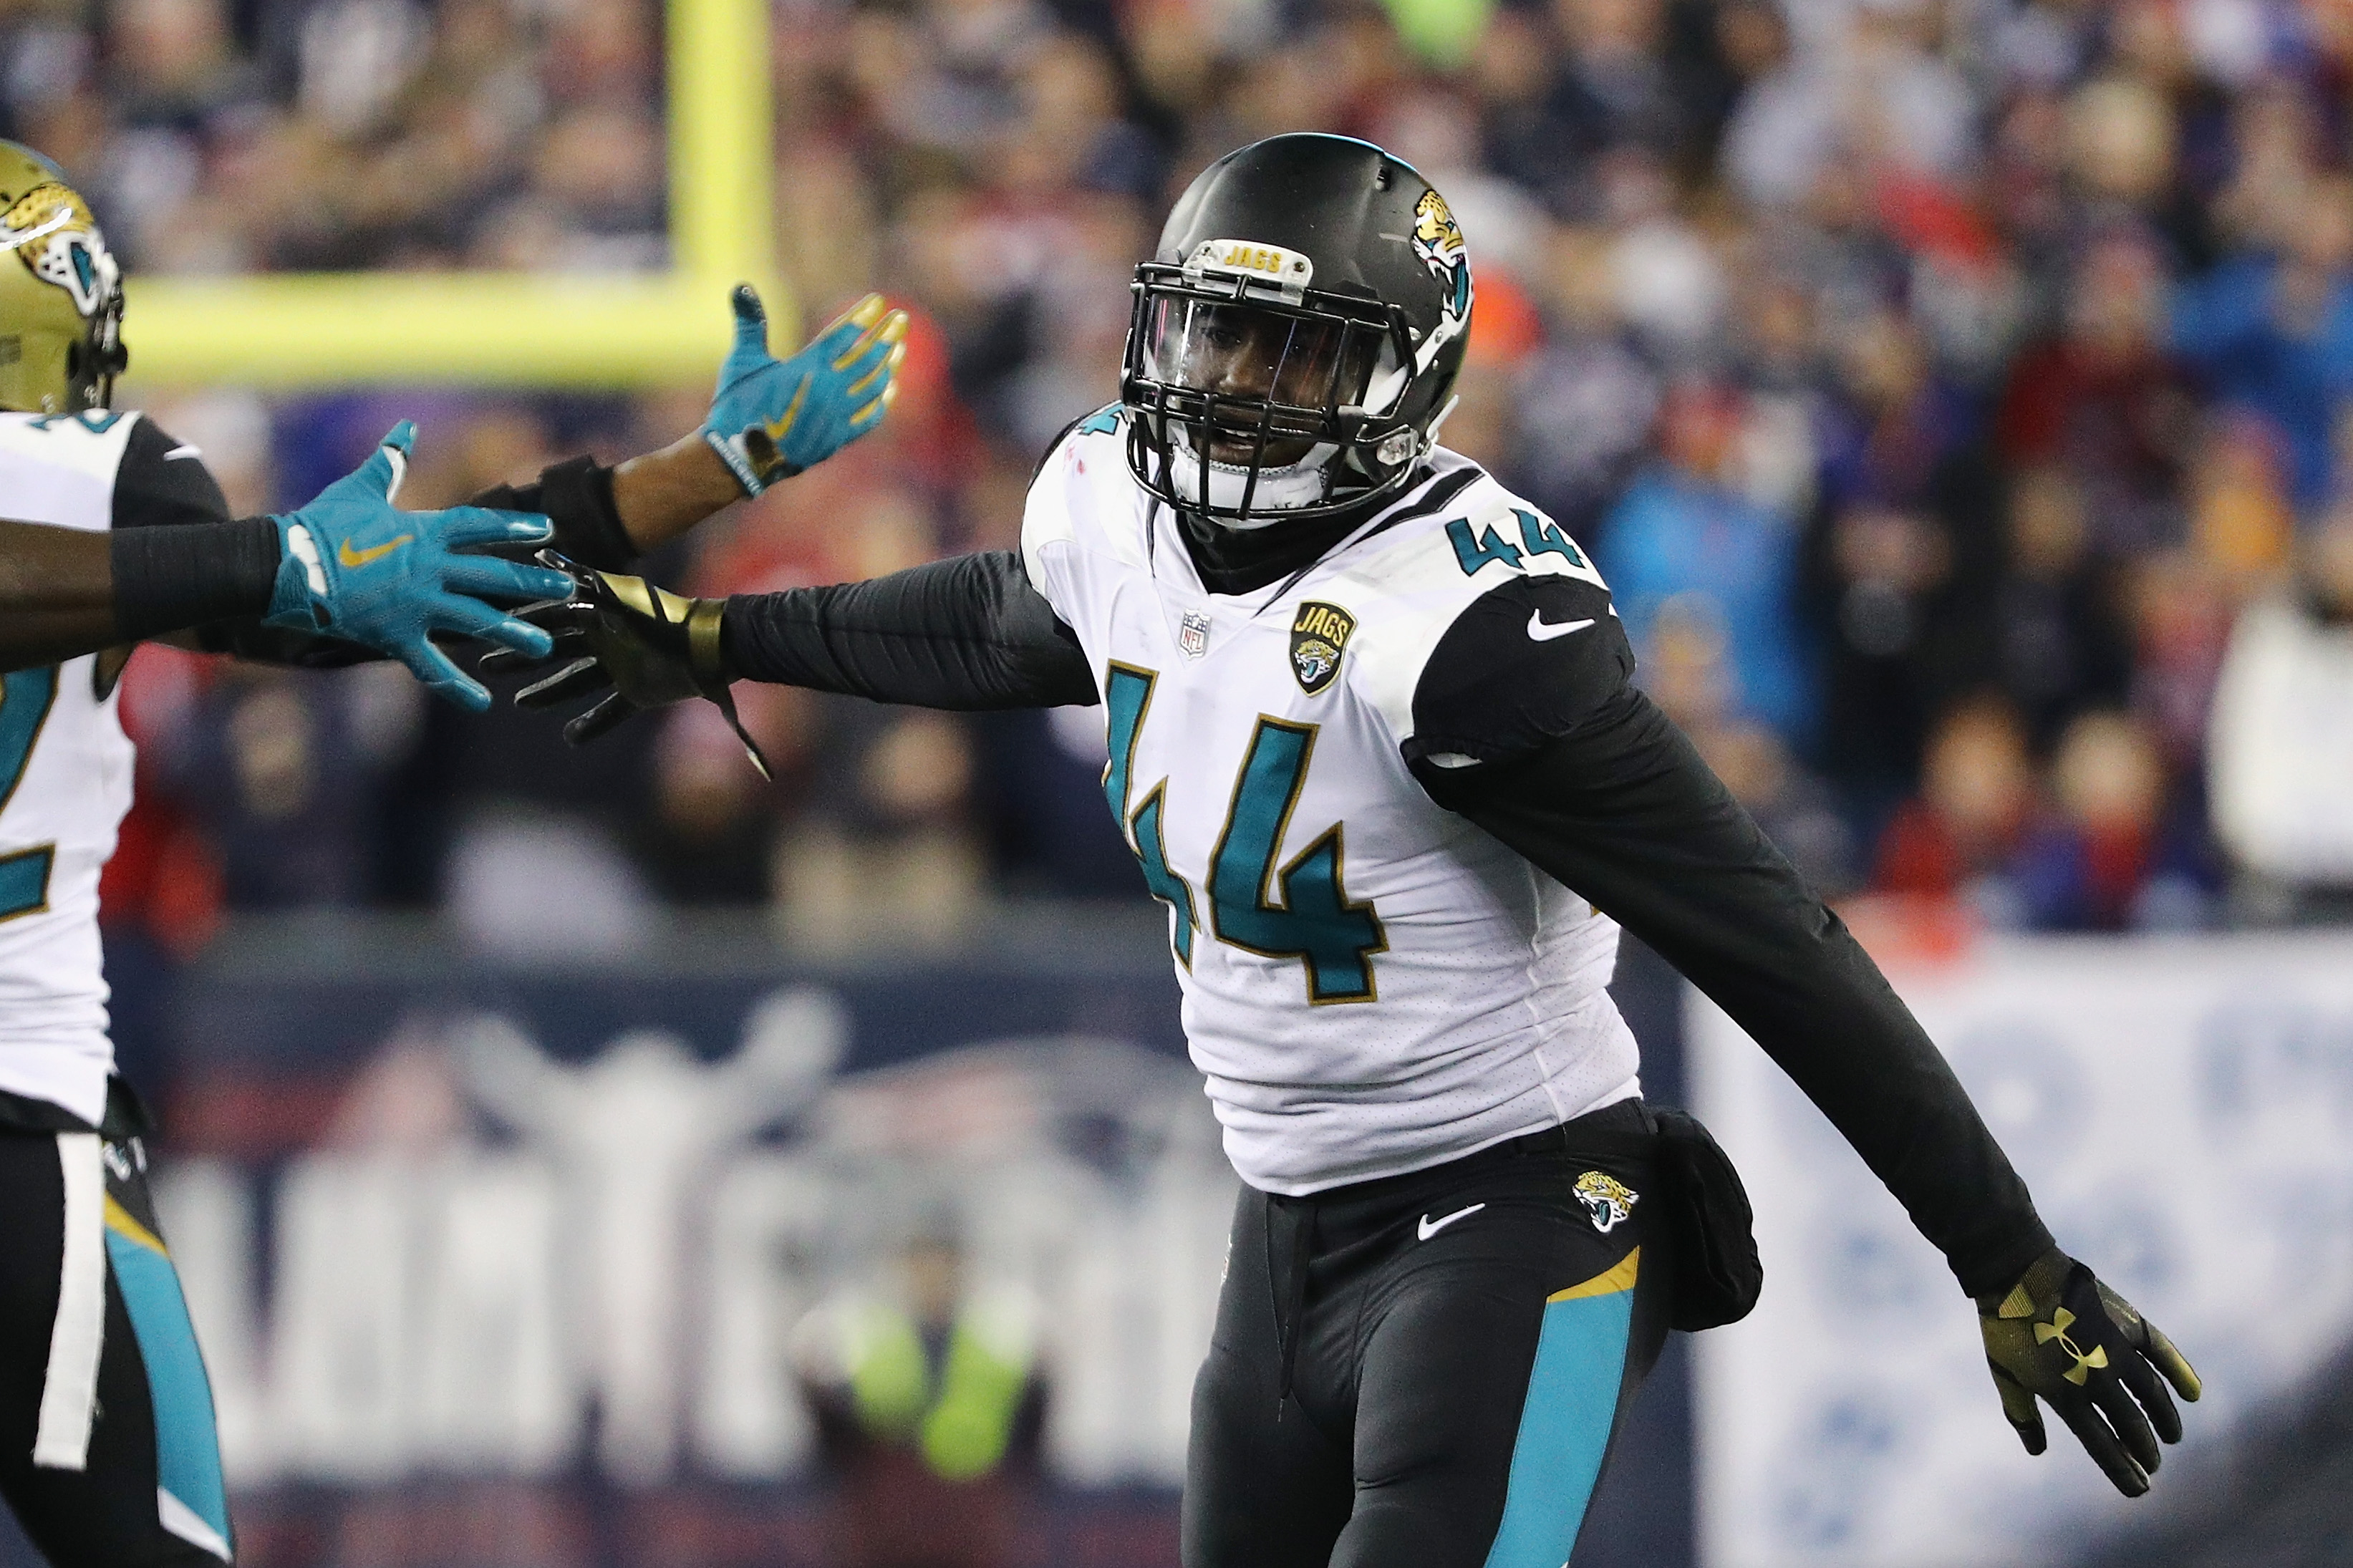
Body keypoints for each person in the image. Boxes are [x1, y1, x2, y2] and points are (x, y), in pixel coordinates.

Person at [503, 134, 2201, 1568]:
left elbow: (1767, 935)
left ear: (1406, 378)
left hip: (1524, 1206)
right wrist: (727, 642)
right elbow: (1017, 622)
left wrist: (2004, 1256)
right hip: (1285, 1230)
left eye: (1291, 355)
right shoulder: (1114, 504)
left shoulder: (1458, 627)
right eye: (1213, 339)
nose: (1234, 391)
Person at [0, 139, 906, 1567]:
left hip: (40, 1108)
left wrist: (701, 472)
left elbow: (399, 574)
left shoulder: (115, 488)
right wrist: (269, 565)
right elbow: (269, 580)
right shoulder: (118, 478)